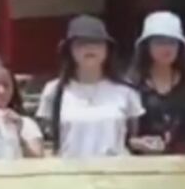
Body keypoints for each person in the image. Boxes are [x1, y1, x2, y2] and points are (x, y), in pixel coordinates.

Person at [35, 15, 143, 158]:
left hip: (116, 174)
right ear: (70, 50)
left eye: (97, 43)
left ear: (107, 49)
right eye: (82, 43)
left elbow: (132, 136)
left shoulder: (126, 91)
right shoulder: (54, 91)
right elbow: (48, 140)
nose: (90, 48)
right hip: (70, 174)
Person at [128, 11, 185, 156]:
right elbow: (124, 135)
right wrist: (140, 143)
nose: (166, 48)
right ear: (147, 46)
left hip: (183, 161)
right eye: (159, 42)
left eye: (172, 42)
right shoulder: (133, 84)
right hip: (143, 163)